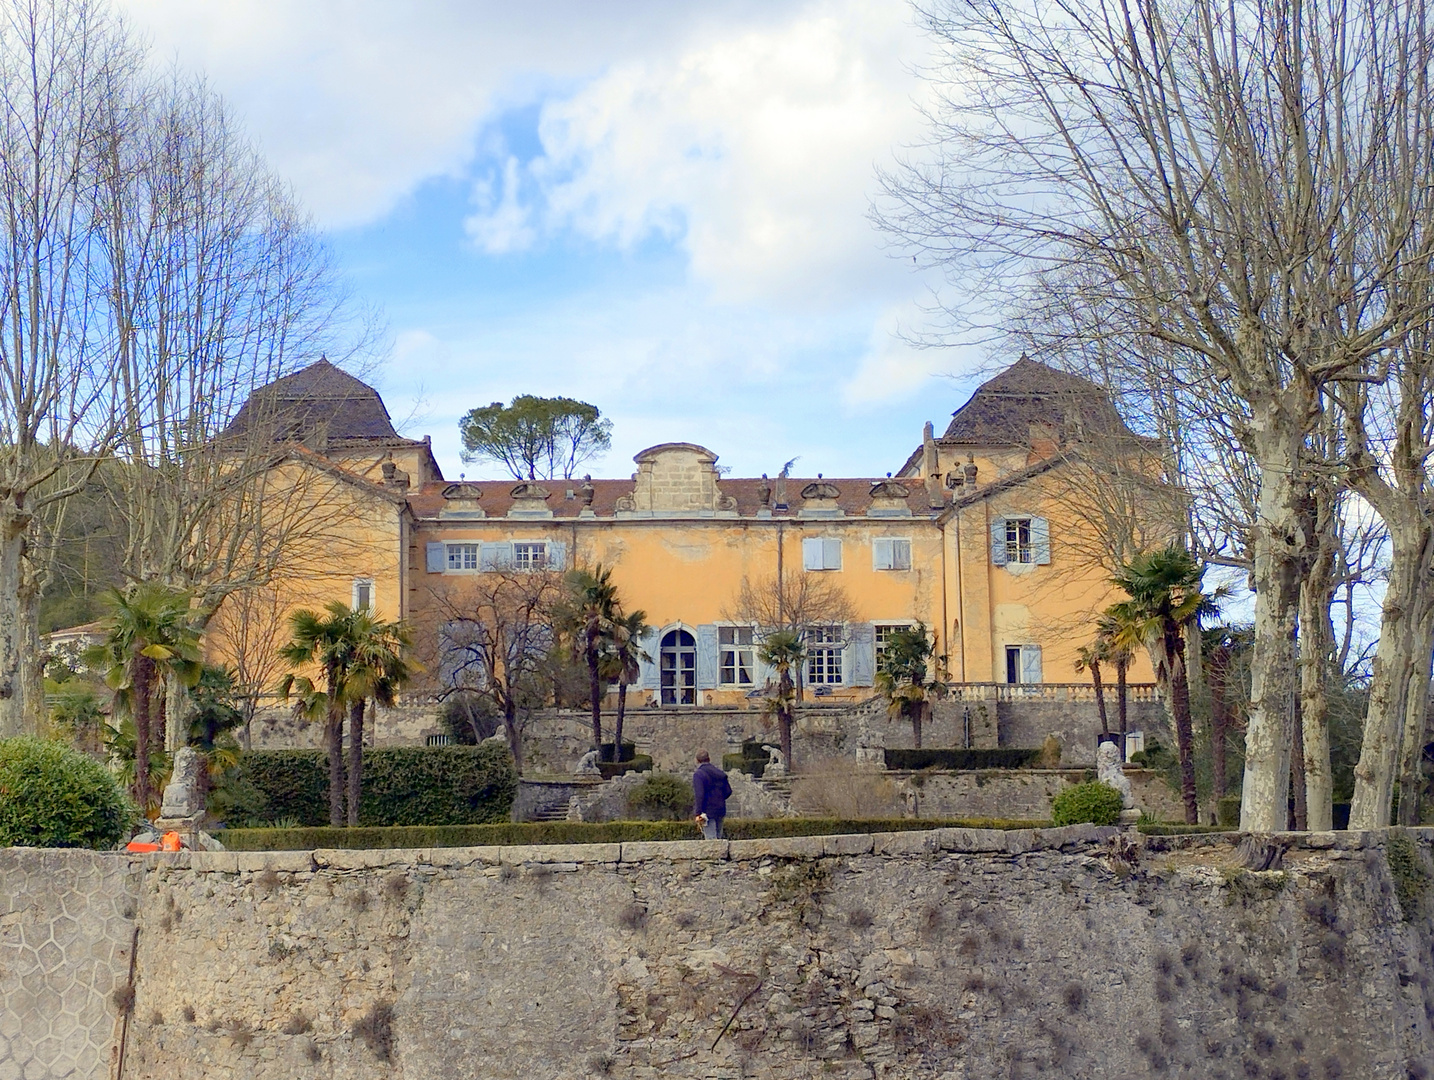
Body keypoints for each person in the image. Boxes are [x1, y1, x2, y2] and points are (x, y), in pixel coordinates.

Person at [691, 750, 732, 840]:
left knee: (711, 840)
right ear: (709, 759)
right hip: (720, 809)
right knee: (719, 837)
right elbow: (728, 791)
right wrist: (719, 799)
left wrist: (698, 812)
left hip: (707, 811)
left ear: (697, 760)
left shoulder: (699, 774)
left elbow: (699, 795)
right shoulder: (719, 773)